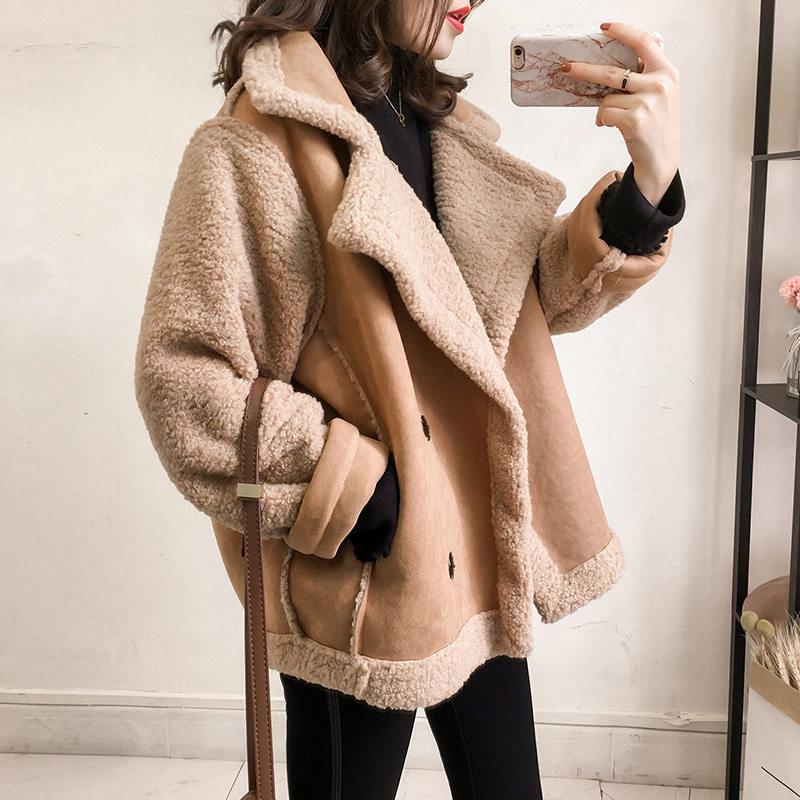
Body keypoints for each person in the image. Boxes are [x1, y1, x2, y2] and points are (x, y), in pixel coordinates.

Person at [134, 2, 685, 798]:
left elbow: (507, 308)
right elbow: (182, 378)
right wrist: (355, 488)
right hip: (361, 571)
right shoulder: (260, 138)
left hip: (480, 537)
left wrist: (646, 189)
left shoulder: (432, 121)